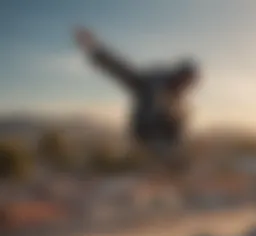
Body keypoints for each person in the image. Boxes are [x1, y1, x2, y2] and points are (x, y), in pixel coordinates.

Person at [74, 27, 199, 175]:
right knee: (173, 116)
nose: (184, 88)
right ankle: (161, 160)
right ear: (177, 75)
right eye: (184, 82)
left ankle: (170, 162)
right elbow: (122, 71)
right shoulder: (150, 83)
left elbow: (179, 124)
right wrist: (95, 49)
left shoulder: (177, 96)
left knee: (183, 114)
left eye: (188, 85)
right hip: (145, 130)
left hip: (164, 134)